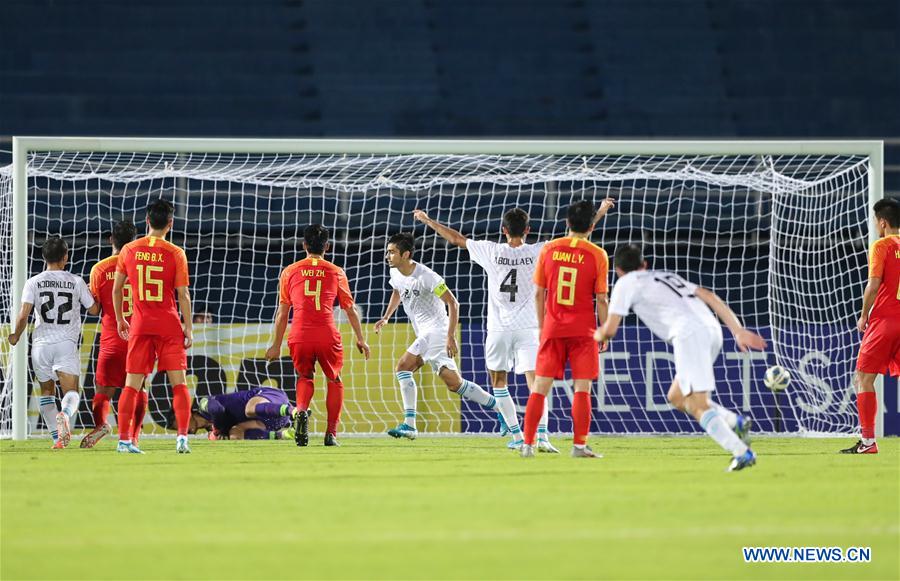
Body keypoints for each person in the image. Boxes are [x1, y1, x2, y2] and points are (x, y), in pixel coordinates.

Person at [413, 199, 615, 451]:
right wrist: (600, 212)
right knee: (537, 385)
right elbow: (576, 236)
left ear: (503, 230)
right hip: (530, 328)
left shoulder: (491, 250)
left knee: (499, 382)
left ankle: (518, 436)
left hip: (499, 328)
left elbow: (456, 239)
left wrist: (427, 220)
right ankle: (542, 438)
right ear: (528, 230)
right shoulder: (540, 250)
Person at [595, 244, 766, 471]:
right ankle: (735, 423)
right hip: (712, 329)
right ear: (644, 265)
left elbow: (610, 329)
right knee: (676, 396)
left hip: (688, 334)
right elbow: (708, 295)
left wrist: (596, 333)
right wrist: (737, 330)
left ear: (617, 270)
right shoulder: (664, 275)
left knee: (698, 405)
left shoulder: (625, 283)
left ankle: (741, 452)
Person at [375, 232, 504, 440]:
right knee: (455, 384)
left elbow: (453, 303)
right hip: (428, 332)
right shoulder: (396, 273)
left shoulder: (427, 276)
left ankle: (409, 424)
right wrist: (387, 317)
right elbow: (398, 291)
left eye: (392, 252)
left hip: (436, 331)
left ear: (406, 254)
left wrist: (450, 336)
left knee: (402, 367)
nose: (387, 256)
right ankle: (502, 409)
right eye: (387, 252)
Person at [266, 224, 370, 447]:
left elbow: (282, 313)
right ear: (328, 246)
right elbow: (349, 309)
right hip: (327, 334)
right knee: (335, 379)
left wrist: (275, 345)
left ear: (304, 245)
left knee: (305, 377)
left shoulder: (289, 271)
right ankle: (331, 433)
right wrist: (361, 338)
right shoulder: (336, 271)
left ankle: (301, 411)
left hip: (300, 334)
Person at [521, 200, 609, 458]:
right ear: (591, 225)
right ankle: (579, 446)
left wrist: (541, 326)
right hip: (583, 331)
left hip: (553, 328)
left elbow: (538, 293)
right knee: (582, 388)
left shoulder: (548, 249)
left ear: (567, 223)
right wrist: (604, 330)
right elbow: (602, 299)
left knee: (539, 387)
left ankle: (527, 445)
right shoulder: (598, 254)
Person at [113, 199, 193, 454]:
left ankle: (124, 440)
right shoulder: (176, 253)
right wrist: (188, 328)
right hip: (169, 325)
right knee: (179, 384)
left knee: (131, 385)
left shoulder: (128, 249)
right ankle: (182, 437)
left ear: (147, 220)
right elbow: (183, 296)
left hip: (140, 324)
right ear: (170, 223)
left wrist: (120, 318)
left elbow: (117, 290)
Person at [8, 237, 99, 448]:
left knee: (47, 392)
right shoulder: (75, 281)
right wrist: (92, 294)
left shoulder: (33, 282)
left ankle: (58, 440)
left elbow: (23, 315)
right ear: (65, 257)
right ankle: (65, 415)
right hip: (65, 343)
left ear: (44, 257)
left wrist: (16, 335)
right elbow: (94, 310)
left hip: (40, 345)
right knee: (71, 392)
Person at [842, 198, 900, 454]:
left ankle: (867, 442)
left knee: (863, 378)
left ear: (883, 222)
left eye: (877, 221)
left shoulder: (882, 246)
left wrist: (864, 315)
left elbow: (873, 285)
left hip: (885, 321)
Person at [82, 221, 140, 449]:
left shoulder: (99, 269)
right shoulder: (139, 266)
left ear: (111, 240)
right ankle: (133, 435)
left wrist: (88, 296)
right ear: (134, 241)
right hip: (138, 335)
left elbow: (95, 310)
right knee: (138, 387)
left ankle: (102, 425)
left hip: (112, 336)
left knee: (103, 390)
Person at [185, 387, 297, 440]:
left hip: (272, 398)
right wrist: (221, 437)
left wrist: (217, 431)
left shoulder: (203, 404)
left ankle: (293, 410)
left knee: (249, 409)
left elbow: (217, 410)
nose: (179, 428)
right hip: (273, 422)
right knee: (235, 434)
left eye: (175, 422)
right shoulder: (213, 429)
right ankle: (283, 435)